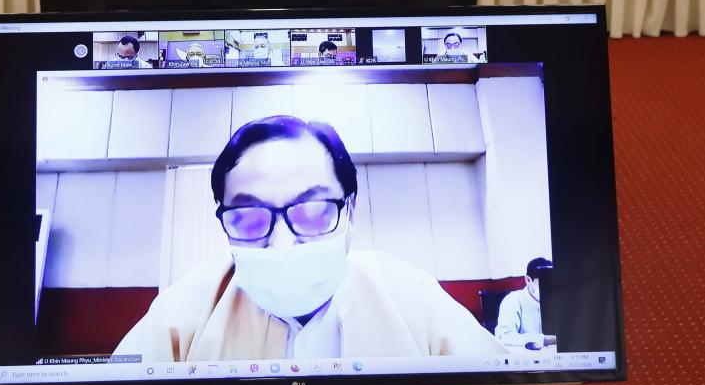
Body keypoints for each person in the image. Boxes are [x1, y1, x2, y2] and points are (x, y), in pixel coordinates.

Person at [113, 116, 511, 360]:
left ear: (350, 208)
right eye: (249, 218)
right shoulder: (184, 310)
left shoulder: (412, 296)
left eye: (314, 211)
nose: (282, 244)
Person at [495, 258, 552, 349]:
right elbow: (503, 337)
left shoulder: (559, 300)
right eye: (544, 283)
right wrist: (547, 340)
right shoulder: (513, 300)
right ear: (528, 280)